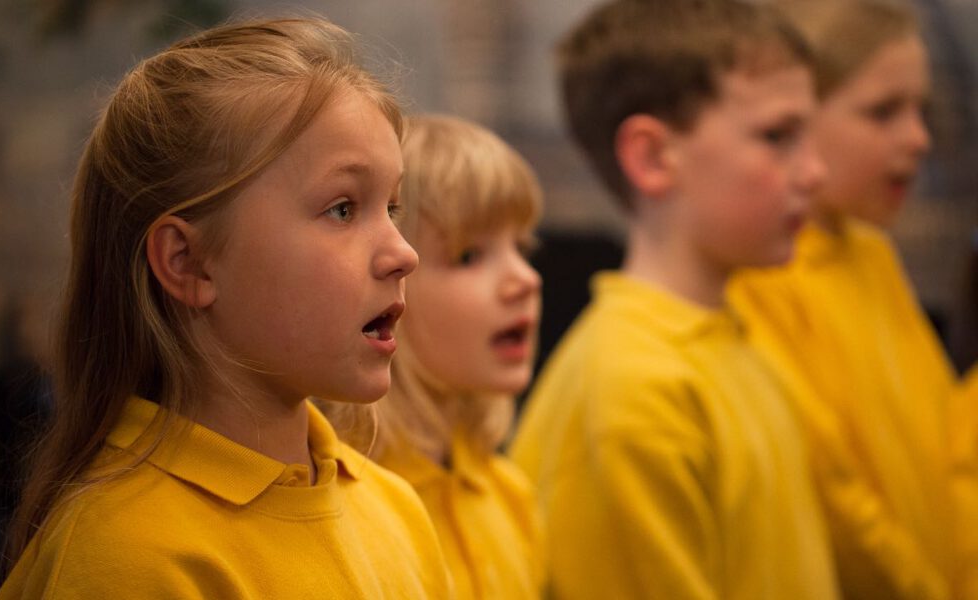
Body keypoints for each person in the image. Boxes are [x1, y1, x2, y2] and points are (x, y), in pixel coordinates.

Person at [0, 18, 453, 598]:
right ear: (188, 262)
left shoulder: (396, 511)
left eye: (391, 207)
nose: (404, 253)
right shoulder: (129, 556)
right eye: (343, 209)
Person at [509, 1, 837, 598]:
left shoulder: (727, 335)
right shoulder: (632, 391)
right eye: (778, 136)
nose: (815, 171)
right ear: (654, 156)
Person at [728, 1, 963, 597]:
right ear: (798, 119)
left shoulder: (871, 253)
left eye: (922, 110)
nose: (919, 138)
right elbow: (836, 498)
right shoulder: (760, 276)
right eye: (883, 112)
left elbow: (946, 442)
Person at [324, 114, 544, 599]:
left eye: (523, 247)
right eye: (469, 256)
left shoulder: (509, 494)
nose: (526, 279)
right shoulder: (339, 505)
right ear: (392, 279)